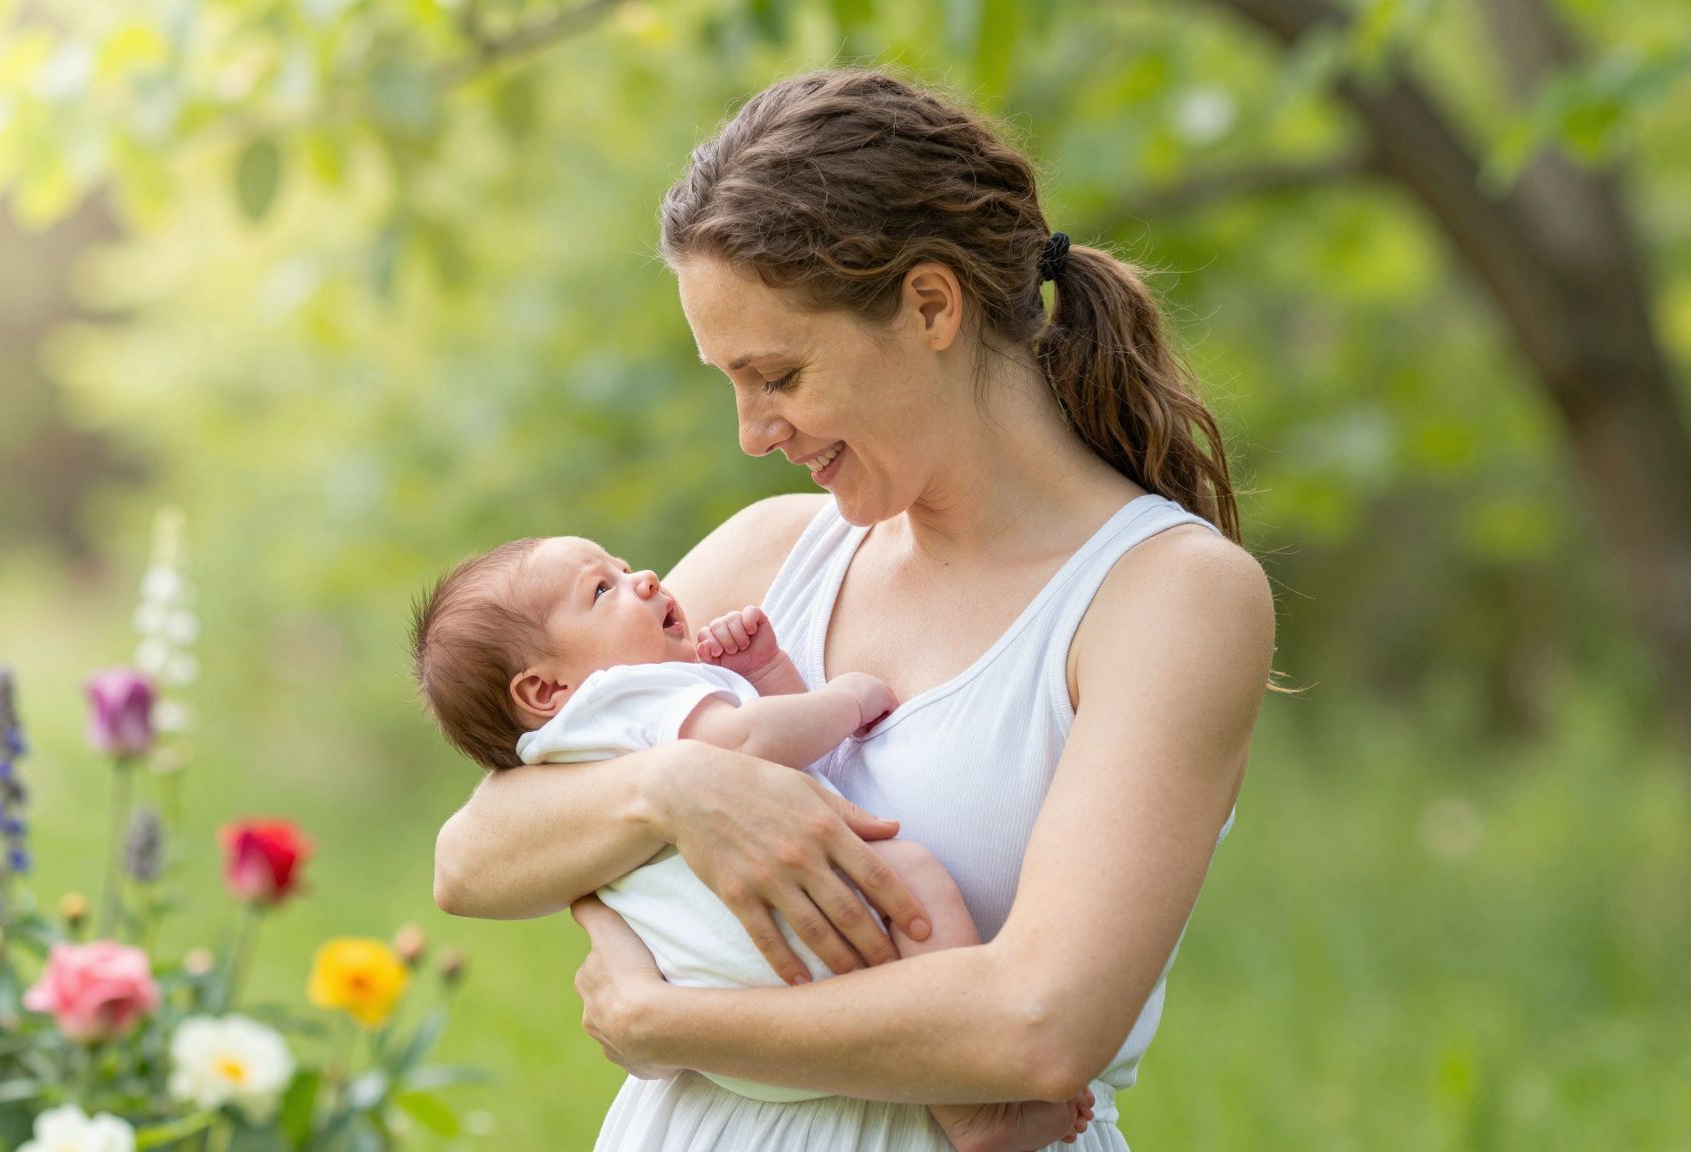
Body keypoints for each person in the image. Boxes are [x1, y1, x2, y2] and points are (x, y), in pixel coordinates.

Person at [431, 68, 1274, 1151]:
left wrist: (670, 1022)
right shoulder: (772, 552)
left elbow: (1040, 1025)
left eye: (775, 373)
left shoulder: (1165, 598)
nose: (750, 430)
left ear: (929, 305)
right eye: (728, 381)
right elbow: (472, 852)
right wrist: (679, 785)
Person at [408, 534, 1096, 1149]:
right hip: (792, 960)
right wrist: (849, 701)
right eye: (602, 589)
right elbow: (751, 741)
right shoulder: (629, 696)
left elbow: (772, 755)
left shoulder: (569, 747)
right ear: (543, 687)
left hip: (718, 1029)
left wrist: (764, 674)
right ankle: (974, 1109)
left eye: (621, 565)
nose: (642, 578)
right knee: (910, 875)